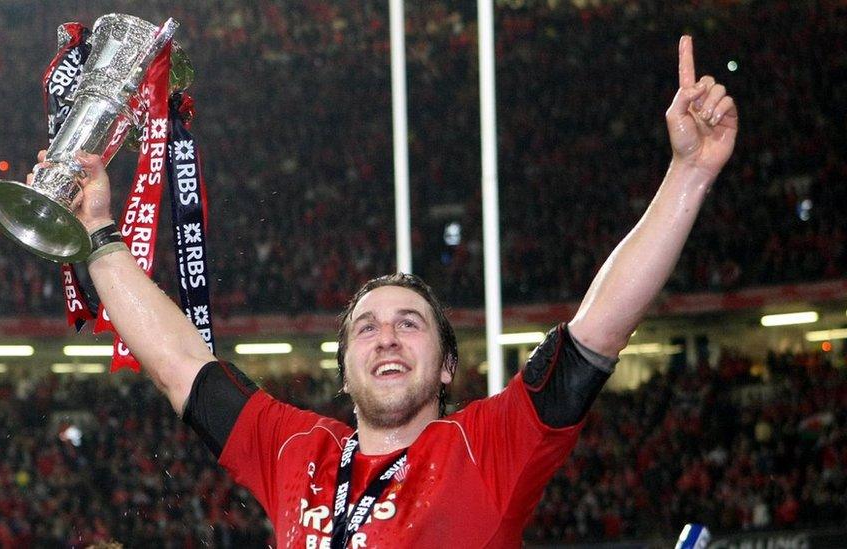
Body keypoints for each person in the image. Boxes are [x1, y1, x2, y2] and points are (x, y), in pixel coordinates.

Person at [42, 36, 736, 547]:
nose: (386, 337)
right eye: (367, 327)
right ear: (343, 369)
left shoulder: (487, 447)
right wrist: (99, 232)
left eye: (410, 323)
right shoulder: (295, 449)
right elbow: (180, 366)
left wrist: (688, 175)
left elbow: (598, 329)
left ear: (445, 366)